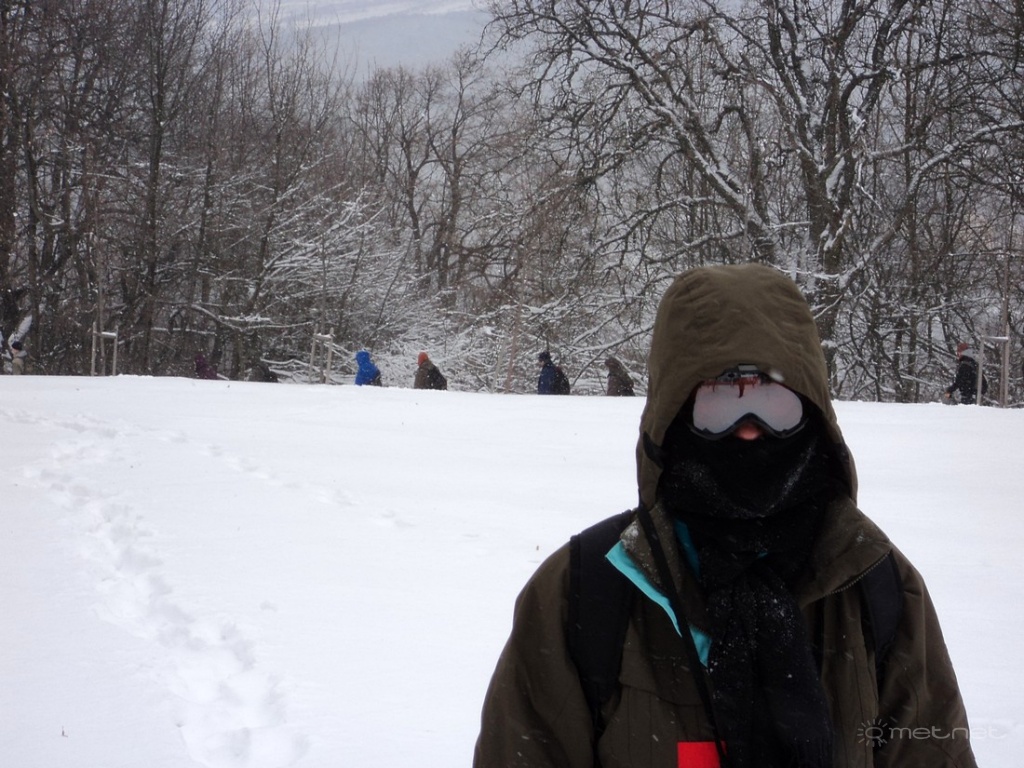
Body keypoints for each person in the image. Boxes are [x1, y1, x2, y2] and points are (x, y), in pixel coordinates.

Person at [475, 264, 977, 768]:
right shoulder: (584, 594)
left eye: (774, 403)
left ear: (813, 414)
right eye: (718, 403)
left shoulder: (876, 586)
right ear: (672, 419)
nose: (750, 431)